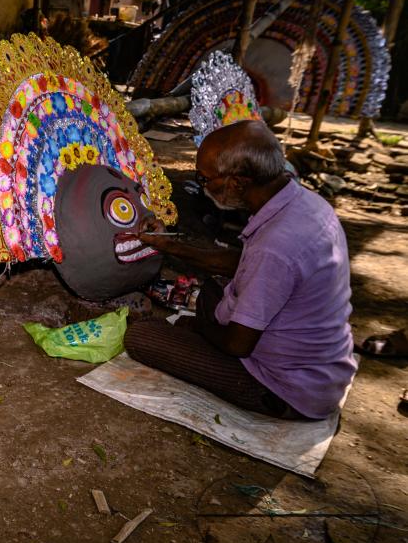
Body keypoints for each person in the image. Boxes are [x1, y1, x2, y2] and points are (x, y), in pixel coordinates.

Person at [124, 121, 356, 420]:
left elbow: (237, 345)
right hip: (319, 368)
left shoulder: (276, 246)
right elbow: (244, 264)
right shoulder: (305, 204)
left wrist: (198, 329)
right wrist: (168, 245)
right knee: (211, 292)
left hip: (283, 388)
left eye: (204, 178)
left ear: (237, 183)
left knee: (141, 337)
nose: (203, 185)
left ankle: (231, 367)